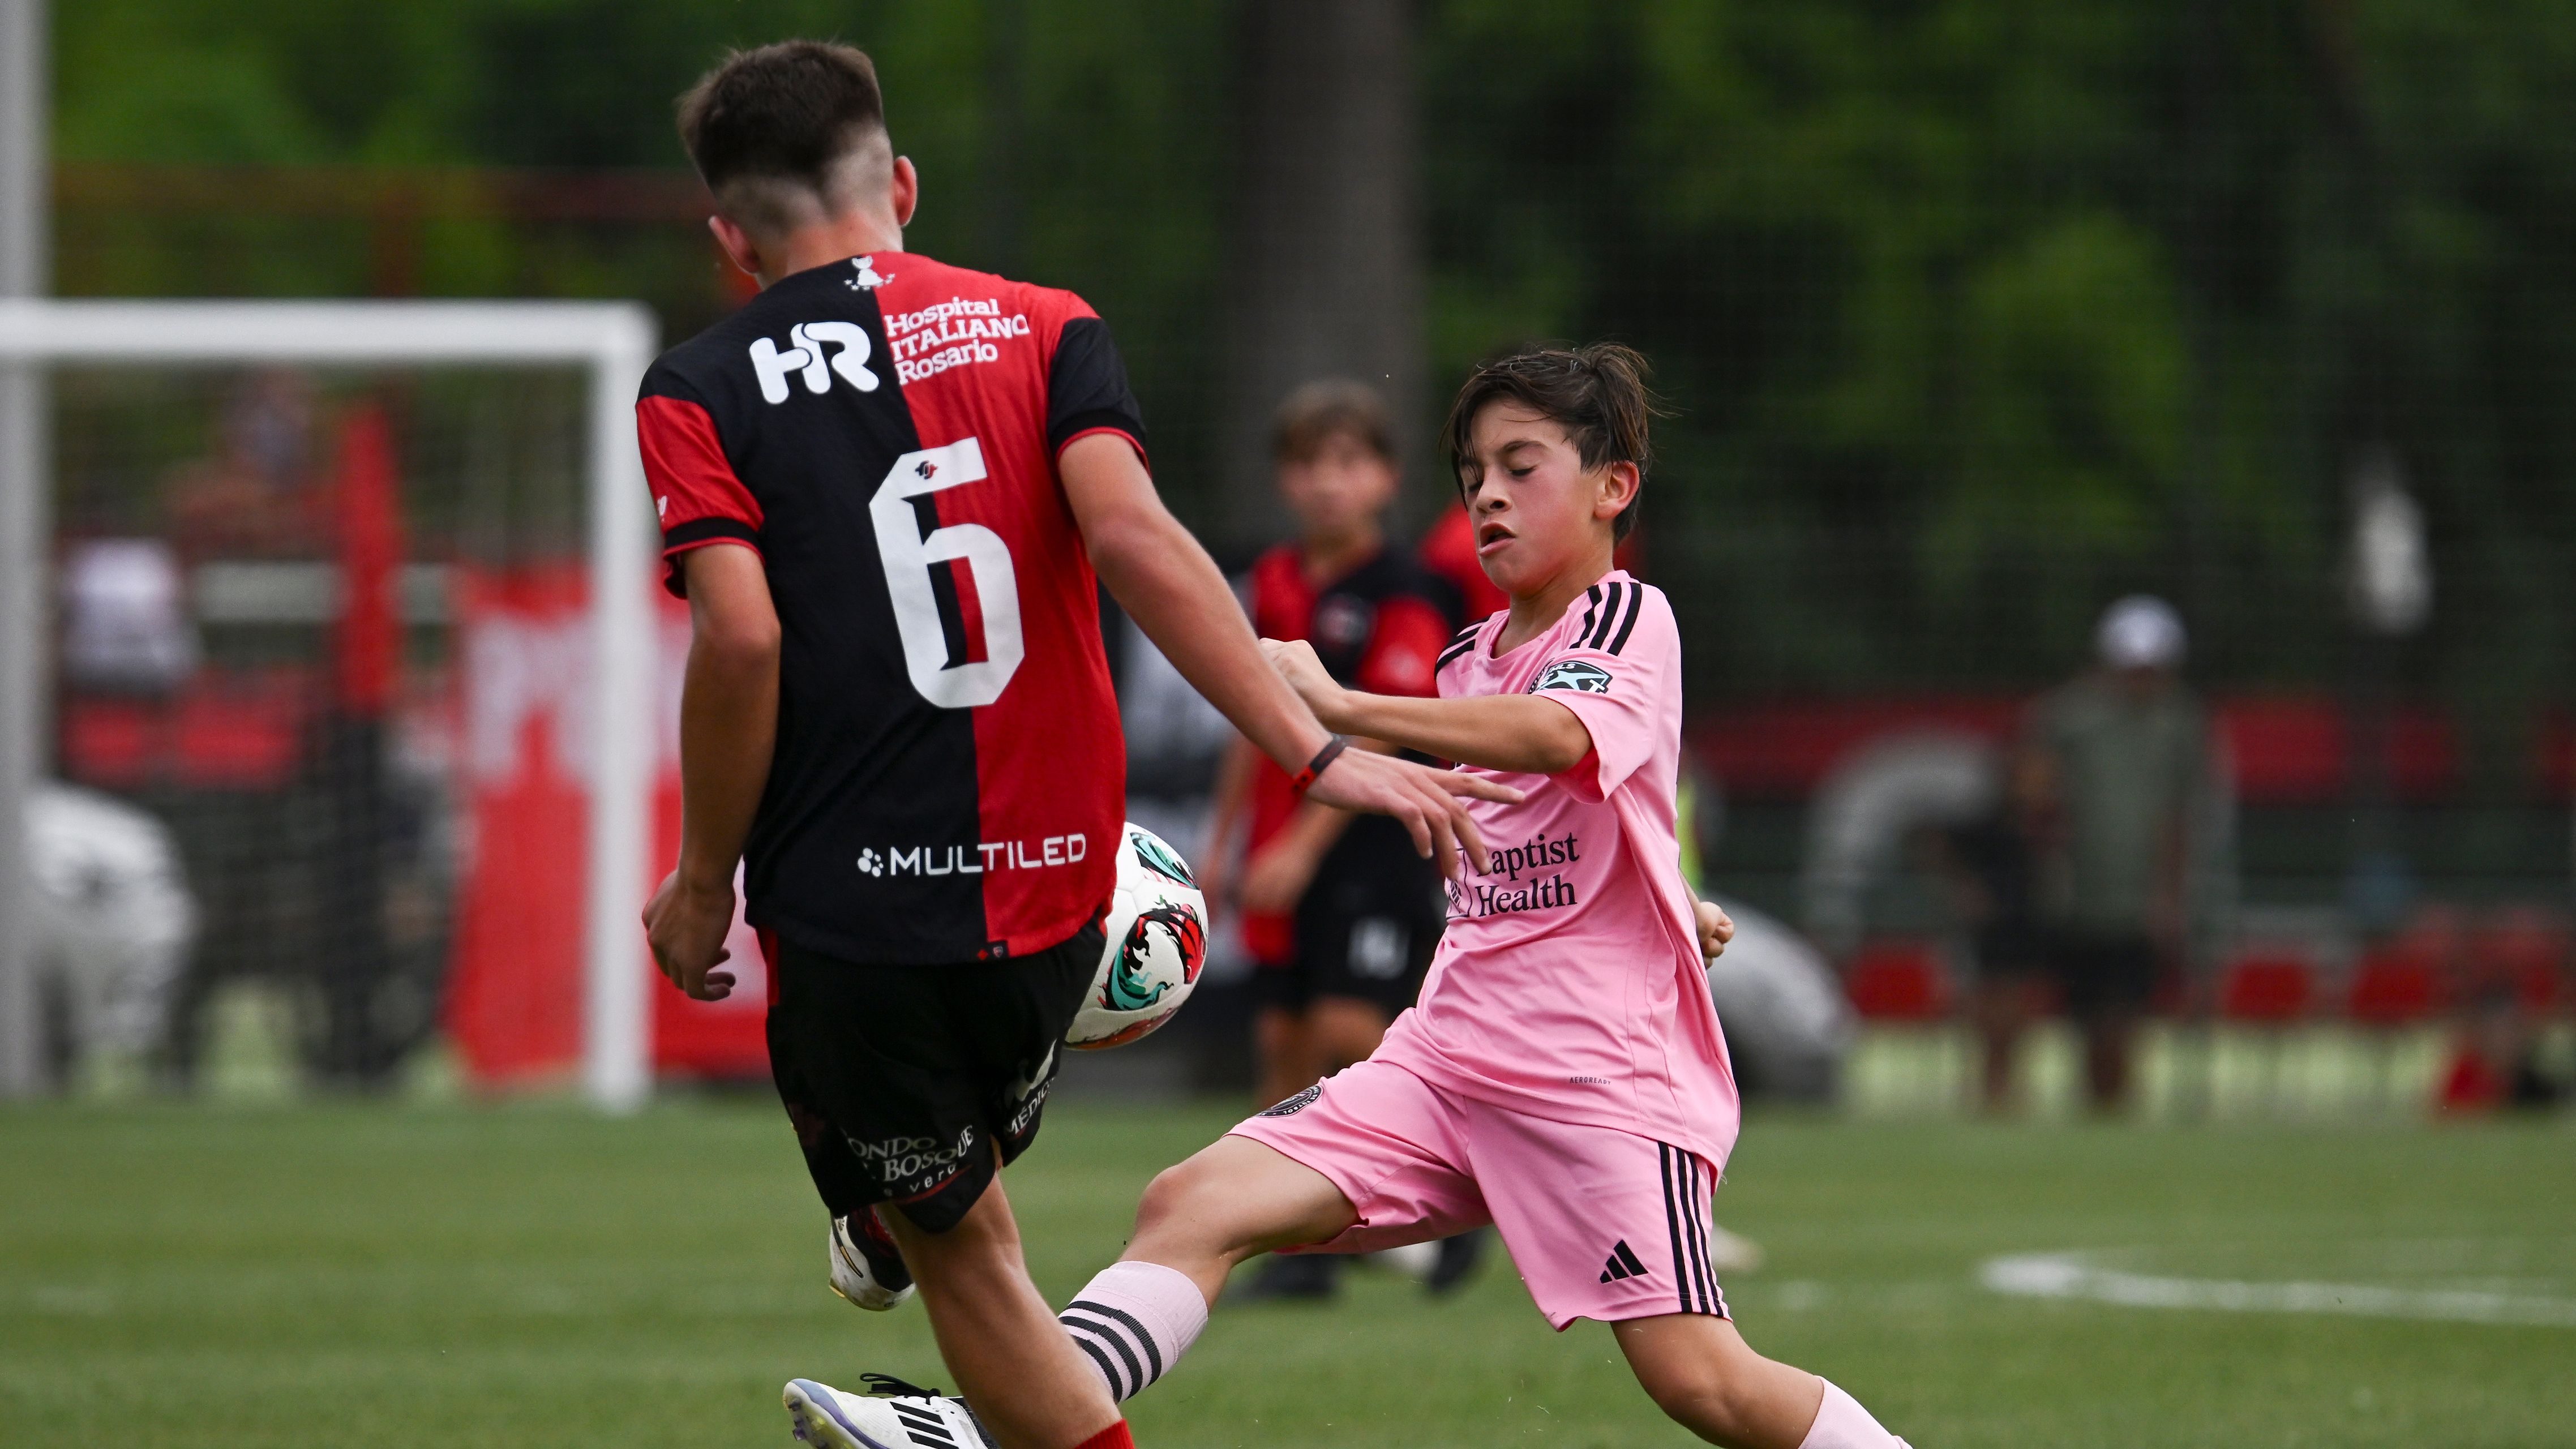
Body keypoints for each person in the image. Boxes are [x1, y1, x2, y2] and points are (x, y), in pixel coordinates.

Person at [632, 44, 1510, 1449]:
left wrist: (696, 882)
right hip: (1059, 892)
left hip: (858, 913)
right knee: (951, 1198)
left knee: (967, 1258)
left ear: (730, 240)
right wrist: (1314, 746)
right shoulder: (1045, 327)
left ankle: (881, 1208)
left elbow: (738, 639)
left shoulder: (699, 385)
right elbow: (1140, 541)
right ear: (900, 183)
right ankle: (885, 1206)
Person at [840, 344, 1913, 1449]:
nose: (1487, 492)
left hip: (1597, 1077)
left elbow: (1559, 735)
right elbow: (1537, 809)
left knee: (1705, 1382)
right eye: (1470, 473)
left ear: (1613, 487)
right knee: (1190, 1202)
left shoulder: (1622, 617)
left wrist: (1344, 703)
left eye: (1520, 464)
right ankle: (988, 1427)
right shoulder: (1468, 656)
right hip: (1446, 1061)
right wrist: (1659, 895)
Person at [1197, 380, 1478, 1300]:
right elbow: (1252, 717)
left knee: (1351, 1030)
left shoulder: (1410, 588)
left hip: (1372, 840)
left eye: (1349, 463)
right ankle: (1295, 1254)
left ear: (1387, 479)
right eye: (1310, 463)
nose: (1328, 483)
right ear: (1284, 479)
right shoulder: (1273, 580)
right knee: (1281, 1041)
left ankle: (1459, 1200)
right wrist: (1224, 841)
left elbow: (1386, 733)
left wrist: (1303, 851)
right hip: (1281, 845)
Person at [2028, 595, 2213, 1112]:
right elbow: (2037, 798)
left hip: (2137, 900)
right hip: (2077, 896)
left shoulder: (2179, 724)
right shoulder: (2066, 718)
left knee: (2127, 1013)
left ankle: (2116, 1105)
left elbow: (2180, 816)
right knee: (2084, 1014)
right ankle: (2095, 1102)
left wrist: (2171, 897)